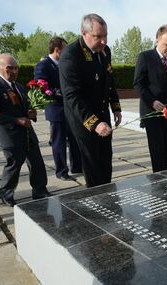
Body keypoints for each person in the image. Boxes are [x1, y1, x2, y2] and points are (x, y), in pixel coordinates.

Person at [59, 14, 122, 188]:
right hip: (84, 120)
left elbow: (109, 81)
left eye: (105, 36)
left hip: (103, 114)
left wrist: (115, 107)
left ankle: (108, 193)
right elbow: (71, 96)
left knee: (105, 159)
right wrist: (95, 124)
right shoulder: (71, 55)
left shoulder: (105, 51)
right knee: (92, 165)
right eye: (98, 37)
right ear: (84, 33)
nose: (103, 41)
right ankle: (97, 202)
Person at [0, 53, 50, 207]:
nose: (13, 71)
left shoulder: (18, 86)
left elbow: (24, 107)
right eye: (9, 68)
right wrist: (17, 120)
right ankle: (6, 194)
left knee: (37, 163)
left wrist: (30, 112)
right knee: (14, 165)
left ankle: (40, 190)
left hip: (27, 133)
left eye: (16, 68)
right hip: (9, 134)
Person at [133, 24, 167, 172]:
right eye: (166, 44)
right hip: (152, 111)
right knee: (157, 150)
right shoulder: (145, 57)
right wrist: (152, 101)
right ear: (157, 40)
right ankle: (158, 180)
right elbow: (138, 84)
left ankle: (166, 178)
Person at [34, 36, 82, 182]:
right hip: (56, 110)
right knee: (59, 142)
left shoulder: (65, 64)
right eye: (65, 49)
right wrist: (62, 92)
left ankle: (77, 166)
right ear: (57, 50)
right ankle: (61, 171)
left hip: (70, 109)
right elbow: (42, 87)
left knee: (75, 139)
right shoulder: (43, 66)